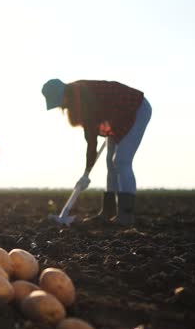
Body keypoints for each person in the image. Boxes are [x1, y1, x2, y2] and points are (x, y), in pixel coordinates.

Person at [41, 79, 152, 226]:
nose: (62, 107)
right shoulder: (78, 95)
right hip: (117, 115)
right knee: (110, 163)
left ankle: (126, 216)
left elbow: (92, 141)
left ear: (64, 95)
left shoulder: (84, 97)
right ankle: (109, 212)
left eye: (60, 102)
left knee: (121, 160)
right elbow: (91, 137)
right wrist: (87, 171)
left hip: (136, 109)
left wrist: (87, 172)